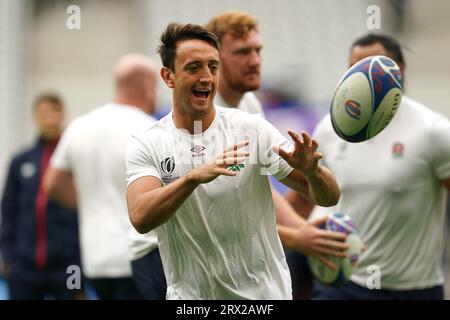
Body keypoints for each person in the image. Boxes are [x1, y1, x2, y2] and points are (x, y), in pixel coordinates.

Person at [125, 22, 340, 300]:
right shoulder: (148, 142)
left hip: (264, 297)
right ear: (168, 77)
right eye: (194, 68)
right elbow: (140, 217)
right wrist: (191, 178)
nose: (206, 77)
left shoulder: (252, 129)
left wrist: (313, 174)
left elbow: (328, 197)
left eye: (213, 67)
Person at [286, 33, 450, 300]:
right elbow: (303, 198)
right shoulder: (330, 128)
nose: (362, 78)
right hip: (341, 286)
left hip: (412, 290)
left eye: (373, 67)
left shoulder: (433, 131)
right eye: (355, 68)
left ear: (400, 72)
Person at [205, 11, 348, 299]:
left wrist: (305, 229)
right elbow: (224, 216)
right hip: (173, 259)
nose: (255, 60)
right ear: (214, 60)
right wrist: (298, 238)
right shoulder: (208, 118)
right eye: (243, 52)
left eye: (258, 50)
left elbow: (261, 187)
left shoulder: (248, 103)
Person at [44, 54, 165, 299]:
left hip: (96, 259)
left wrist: (89, 204)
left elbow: (51, 183)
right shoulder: (149, 128)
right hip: (141, 255)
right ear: (145, 85)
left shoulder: (80, 125)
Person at [0, 94, 82, 300]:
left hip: (68, 264)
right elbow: (8, 211)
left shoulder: (74, 159)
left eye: (54, 112)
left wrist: (80, 260)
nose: (50, 119)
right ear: (35, 117)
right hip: (24, 266)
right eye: (44, 113)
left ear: (62, 115)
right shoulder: (21, 161)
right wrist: (9, 256)